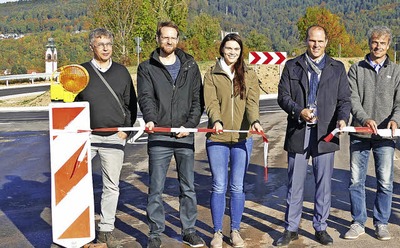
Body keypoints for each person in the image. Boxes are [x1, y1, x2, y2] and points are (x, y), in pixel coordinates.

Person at [275, 25, 351, 246]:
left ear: (326, 41)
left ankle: (321, 227)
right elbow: (283, 96)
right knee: (294, 184)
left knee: (323, 184)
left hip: (325, 133)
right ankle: (291, 228)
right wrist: (299, 111)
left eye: (320, 41)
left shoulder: (337, 68)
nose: (316, 45)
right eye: (311, 41)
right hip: (299, 130)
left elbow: (344, 100)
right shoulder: (292, 66)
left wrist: (342, 118)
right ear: (306, 41)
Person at [137, 21, 205, 248]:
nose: (169, 41)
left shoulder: (190, 66)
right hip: (159, 135)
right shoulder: (147, 68)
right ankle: (155, 233)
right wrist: (151, 120)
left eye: (173, 37)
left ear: (177, 40)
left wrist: (190, 124)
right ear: (158, 39)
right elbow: (145, 97)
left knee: (187, 186)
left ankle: (189, 230)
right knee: (156, 187)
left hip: (185, 135)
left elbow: (197, 100)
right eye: (165, 37)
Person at [343, 26, 400, 241]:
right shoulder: (356, 69)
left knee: (385, 181)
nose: (377, 46)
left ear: (388, 45)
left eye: (382, 43)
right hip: (360, 134)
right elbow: (351, 99)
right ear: (369, 43)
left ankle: (381, 223)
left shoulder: (398, 72)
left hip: (385, 137)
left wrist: (395, 120)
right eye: (374, 42)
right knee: (356, 181)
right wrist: (364, 119)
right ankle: (358, 222)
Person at [75, 28, 137, 248]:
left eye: (109, 44)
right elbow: (69, 103)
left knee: (111, 186)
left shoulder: (121, 72)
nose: (105, 48)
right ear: (92, 46)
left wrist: (125, 131)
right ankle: (78, 230)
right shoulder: (80, 72)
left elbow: (131, 104)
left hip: (113, 138)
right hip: (86, 138)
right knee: (77, 185)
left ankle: (106, 230)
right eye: (100, 44)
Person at [203, 33, 263, 248]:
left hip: (242, 138)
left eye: (236, 49)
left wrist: (254, 120)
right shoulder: (211, 74)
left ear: (241, 51)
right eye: (228, 48)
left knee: (237, 187)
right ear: (222, 49)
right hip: (217, 138)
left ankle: (235, 230)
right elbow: (210, 102)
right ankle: (217, 232)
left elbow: (252, 102)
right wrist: (216, 120)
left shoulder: (249, 73)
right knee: (219, 186)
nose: (232, 52)